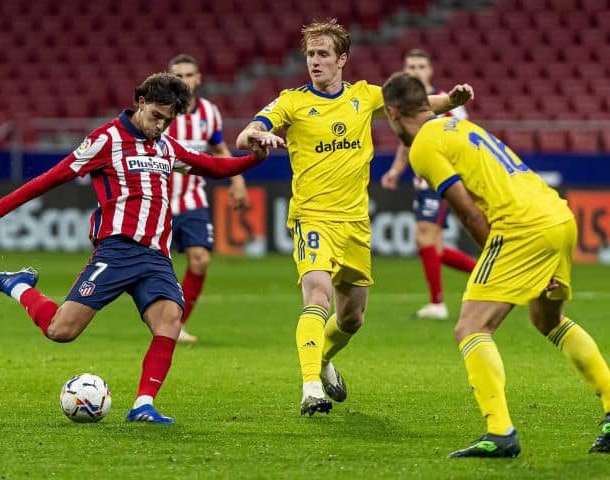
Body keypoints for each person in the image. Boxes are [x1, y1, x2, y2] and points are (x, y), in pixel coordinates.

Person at [0, 73, 272, 424]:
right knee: (60, 331)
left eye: (168, 120)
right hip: (116, 253)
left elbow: (215, 166)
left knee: (169, 322)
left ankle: (143, 404)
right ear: (140, 102)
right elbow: (52, 177)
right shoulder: (105, 140)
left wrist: (255, 159)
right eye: (157, 116)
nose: (160, 126)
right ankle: (17, 284)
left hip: (156, 257)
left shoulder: (166, 146)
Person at [236, 19, 473, 416]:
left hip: (355, 224)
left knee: (352, 318)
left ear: (342, 58)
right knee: (317, 295)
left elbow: (417, 107)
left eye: (323, 54)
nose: (315, 61)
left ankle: (324, 360)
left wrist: (451, 99)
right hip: (311, 216)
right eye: (310, 54)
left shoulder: (365, 96)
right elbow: (246, 135)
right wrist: (259, 137)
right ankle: (311, 386)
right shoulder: (290, 102)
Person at [381, 71, 610, 457]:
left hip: (521, 228)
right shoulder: (459, 125)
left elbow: (467, 211)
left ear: (391, 113)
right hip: (556, 216)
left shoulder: (423, 147)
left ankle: (499, 432)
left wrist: (498, 254)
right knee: (547, 320)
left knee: (471, 326)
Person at [381, 49, 476, 320]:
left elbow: (463, 137)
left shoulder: (448, 102)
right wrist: (396, 170)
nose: (416, 70)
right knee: (430, 244)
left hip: (443, 176)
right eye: (411, 65)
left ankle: (437, 303)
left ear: (430, 70)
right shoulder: (407, 103)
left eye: (421, 65)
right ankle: (487, 273)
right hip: (422, 178)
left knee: (424, 236)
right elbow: (405, 142)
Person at [166, 54, 250, 343]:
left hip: (191, 198)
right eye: (178, 75)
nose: (185, 80)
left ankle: (175, 325)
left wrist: (237, 182)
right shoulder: (161, 111)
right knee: (151, 267)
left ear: (198, 78)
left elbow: (220, 150)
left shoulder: (209, 113)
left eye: (189, 75)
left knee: (200, 260)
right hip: (158, 201)